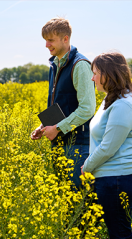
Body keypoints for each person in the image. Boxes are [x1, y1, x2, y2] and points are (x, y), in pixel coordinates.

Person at [81, 51, 132, 239]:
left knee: (120, 236)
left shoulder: (124, 105)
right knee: (117, 233)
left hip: (119, 178)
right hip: (112, 177)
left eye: (96, 73)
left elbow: (108, 147)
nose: (92, 78)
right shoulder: (111, 100)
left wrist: (86, 167)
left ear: (109, 74)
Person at [31, 17, 96, 189]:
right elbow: (61, 104)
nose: (46, 45)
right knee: (66, 203)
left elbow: (87, 109)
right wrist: (44, 126)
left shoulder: (80, 65)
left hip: (78, 146)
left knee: (80, 203)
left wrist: (57, 128)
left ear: (65, 39)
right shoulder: (55, 65)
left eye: (50, 40)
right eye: (45, 40)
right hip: (60, 144)